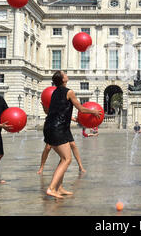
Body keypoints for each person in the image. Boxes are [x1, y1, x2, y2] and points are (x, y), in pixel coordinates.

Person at [42, 70, 102, 199]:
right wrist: (93, 111)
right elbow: (80, 108)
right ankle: (51, 188)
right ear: (63, 79)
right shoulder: (69, 92)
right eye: (64, 74)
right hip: (58, 128)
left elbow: (53, 111)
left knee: (63, 158)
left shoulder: (55, 92)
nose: (66, 75)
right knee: (67, 159)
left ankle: (59, 187)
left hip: (55, 127)